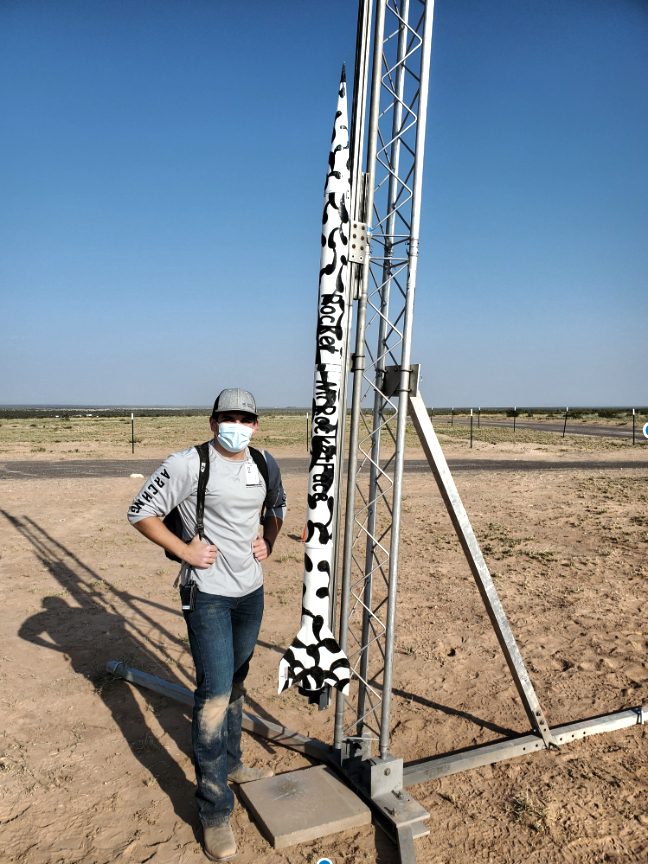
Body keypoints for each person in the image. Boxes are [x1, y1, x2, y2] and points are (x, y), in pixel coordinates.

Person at [127, 388, 286, 861]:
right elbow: (141, 512)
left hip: (250, 594)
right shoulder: (187, 464)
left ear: (256, 424)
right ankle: (214, 809)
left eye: (245, 418)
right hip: (208, 594)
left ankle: (231, 763)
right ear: (212, 420)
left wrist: (268, 541)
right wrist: (184, 552)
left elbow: (276, 508)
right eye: (228, 417)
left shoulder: (264, 463)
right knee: (214, 694)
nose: (237, 425)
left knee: (235, 682)